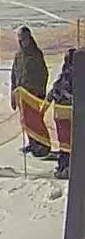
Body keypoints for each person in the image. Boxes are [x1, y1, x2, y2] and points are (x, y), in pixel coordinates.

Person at [12, 26, 52, 157]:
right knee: (25, 120)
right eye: (20, 39)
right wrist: (13, 94)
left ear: (29, 38)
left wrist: (40, 92)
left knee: (36, 120)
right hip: (22, 95)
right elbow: (14, 75)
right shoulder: (18, 56)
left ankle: (43, 144)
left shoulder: (36, 54)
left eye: (24, 39)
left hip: (34, 94)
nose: (22, 41)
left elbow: (43, 73)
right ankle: (32, 142)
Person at [50, 48, 74, 179]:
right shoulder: (65, 75)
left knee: (67, 143)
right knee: (65, 142)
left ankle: (66, 167)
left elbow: (57, 91)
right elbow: (55, 90)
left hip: (67, 116)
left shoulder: (70, 76)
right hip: (63, 116)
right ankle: (64, 167)